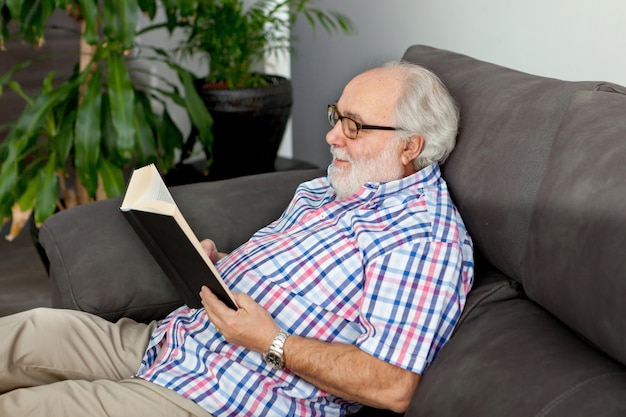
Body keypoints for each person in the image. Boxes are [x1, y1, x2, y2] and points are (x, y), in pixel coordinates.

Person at [0, 61, 473, 416]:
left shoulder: (422, 241)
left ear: (410, 146)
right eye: (337, 116)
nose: (332, 136)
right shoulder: (332, 188)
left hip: (214, 396)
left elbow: (393, 384)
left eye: (354, 126)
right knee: (23, 334)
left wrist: (272, 341)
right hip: (168, 342)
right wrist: (218, 264)